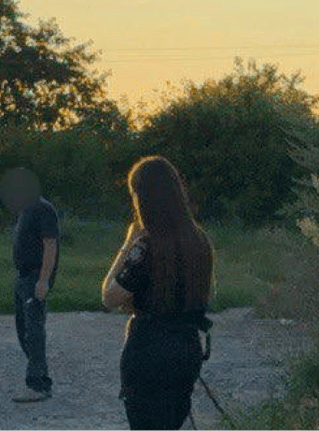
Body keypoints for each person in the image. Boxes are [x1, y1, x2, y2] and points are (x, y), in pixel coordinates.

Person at [102, 156, 215, 431]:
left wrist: (129, 242)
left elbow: (109, 297)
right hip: (186, 349)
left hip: (149, 352)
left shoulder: (147, 247)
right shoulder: (199, 241)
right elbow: (203, 293)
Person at [0, 167, 60, 403]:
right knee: (23, 329)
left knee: (33, 331)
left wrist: (43, 281)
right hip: (23, 276)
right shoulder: (26, 208)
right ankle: (40, 376)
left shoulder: (42, 208)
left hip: (35, 277)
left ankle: (37, 384)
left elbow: (50, 245)